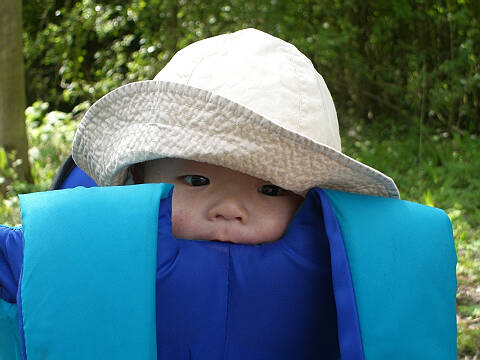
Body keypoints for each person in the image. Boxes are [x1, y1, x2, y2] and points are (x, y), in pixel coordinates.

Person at [1, 28, 413, 359]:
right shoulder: (85, 247)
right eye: (196, 181)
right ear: (141, 180)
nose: (231, 209)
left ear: (314, 205)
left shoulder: (341, 265)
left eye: (270, 189)